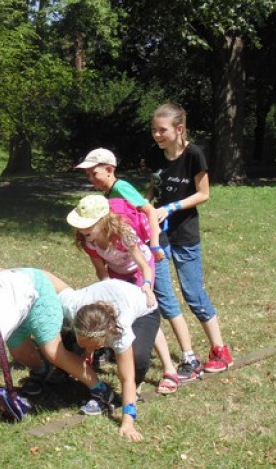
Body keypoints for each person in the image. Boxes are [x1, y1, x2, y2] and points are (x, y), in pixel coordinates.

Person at [0, 267, 111, 444]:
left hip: (36, 290)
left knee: (53, 351)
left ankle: (100, 389)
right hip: (13, 294)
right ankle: (45, 372)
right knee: (18, 350)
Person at [76, 147, 196, 390]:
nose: (91, 179)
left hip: (147, 252)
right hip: (125, 255)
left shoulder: (120, 188)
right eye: (87, 175)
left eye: (94, 173)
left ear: (109, 169)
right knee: (142, 311)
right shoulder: (104, 205)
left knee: (160, 304)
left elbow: (150, 212)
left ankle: (188, 357)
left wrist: (153, 246)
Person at [148, 102, 234, 373]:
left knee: (194, 294)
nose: (157, 135)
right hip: (159, 235)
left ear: (179, 129)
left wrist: (171, 208)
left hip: (184, 234)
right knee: (163, 296)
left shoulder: (194, 154)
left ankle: (220, 351)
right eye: (154, 130)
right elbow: (153, 189)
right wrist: (144, 210)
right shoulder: (155, 154)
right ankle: (187, 355)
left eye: (162, 130)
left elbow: (203, 194)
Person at [66, 194, 180, 395]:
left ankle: (169, 368)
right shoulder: (88, 242)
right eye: (82, 228)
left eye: (89, 227)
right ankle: (94, 353)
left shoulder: (124, 233)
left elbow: (144, 264)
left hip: (139, 270)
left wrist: (146, 285)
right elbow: (101, 269)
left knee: (144, 311)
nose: (84, 232)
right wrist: (107, 287)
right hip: (116, 273)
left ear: (103, 222)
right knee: (114, 313)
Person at [54, 277, 161, 442]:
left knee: (137, 360)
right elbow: (46, 277)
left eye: (96, 347)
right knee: (65, 342)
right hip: (110, 299)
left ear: (108, 335)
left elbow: (127, 379)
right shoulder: (72, 304)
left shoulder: (120, 330)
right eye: (84, 344)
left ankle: (130, 395)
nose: (88, 349)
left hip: (145, 309)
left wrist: (128, 422)